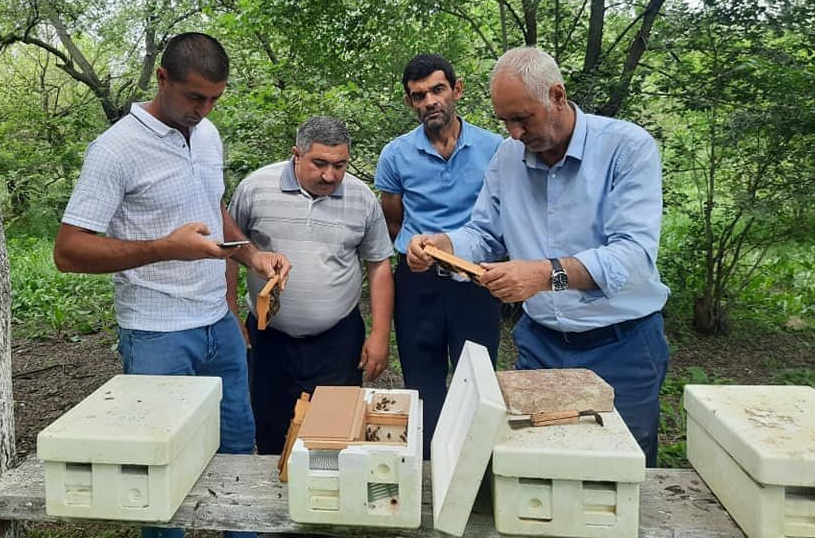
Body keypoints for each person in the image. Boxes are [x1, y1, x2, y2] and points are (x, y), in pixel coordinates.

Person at [53, 32, 290, 538]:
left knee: (236, 449)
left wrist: (251, 254)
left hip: (218, 325)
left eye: (214, 99)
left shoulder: (207, 135)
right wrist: (163, 247)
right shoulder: (115, 150)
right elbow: (68, 250)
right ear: (162, 79)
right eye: (194, 97)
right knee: (160, 468)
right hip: (156, 332)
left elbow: (213, 208)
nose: (204, 110)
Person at [406, 46, 670, 467]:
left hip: (622, 345)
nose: (513, 133)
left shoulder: (626, 148)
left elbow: (634, 256)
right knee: (540, 465)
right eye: (504, 121)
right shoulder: (507, 157)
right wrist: (446, 246)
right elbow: (484, 234)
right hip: (540, 344)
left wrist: (547, 276)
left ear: (557, 96)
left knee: (621, 470)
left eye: (522, 118)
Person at [227, 116, 394, 455]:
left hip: (337, 340)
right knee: (271, 429)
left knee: (335, 435)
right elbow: (229, 253)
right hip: (268, 337)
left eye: (339, 165)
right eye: (320, 163)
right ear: (296, 155)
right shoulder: (255, 188)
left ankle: (329, 499)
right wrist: (230, 312)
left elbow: (379, 265)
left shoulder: (361, 199)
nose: (330, 175)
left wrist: (379, 335)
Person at [374, 54, 503, 456]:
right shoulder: (396, 155)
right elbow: (393, 219)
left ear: (456, 90)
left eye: (437, 90)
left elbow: (503, 215)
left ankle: (471, 465)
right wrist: (415, 250)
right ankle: (428, 469)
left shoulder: (495, 149)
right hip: (417, 280)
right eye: (418, 95)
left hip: (476, 279)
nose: (429, 101)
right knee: (422, 378)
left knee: (477, 379)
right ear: (410, 102)